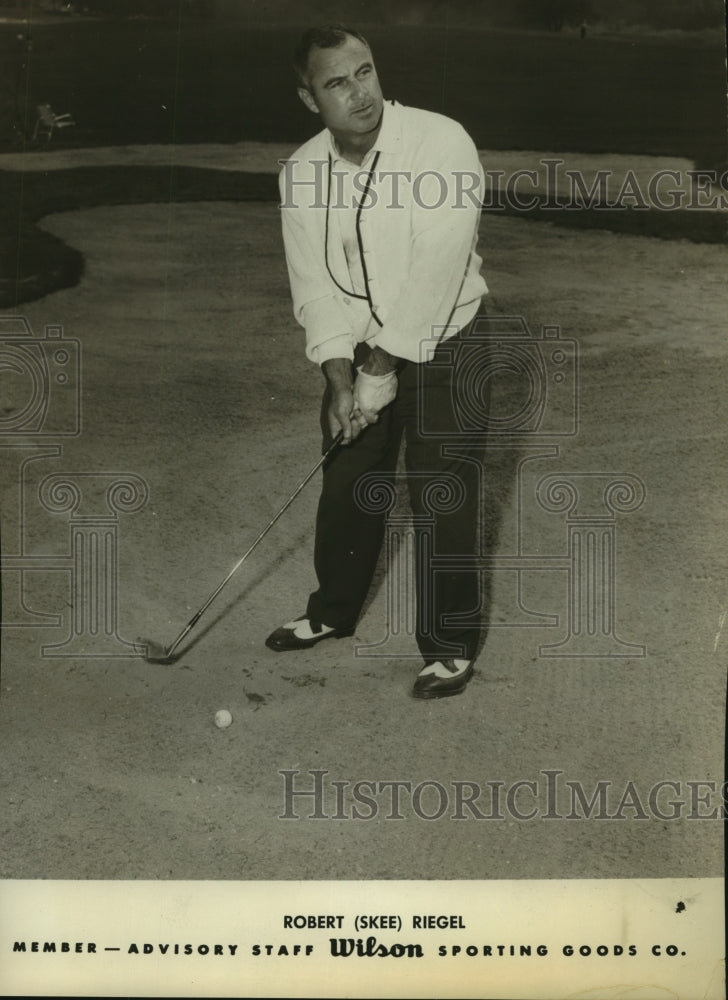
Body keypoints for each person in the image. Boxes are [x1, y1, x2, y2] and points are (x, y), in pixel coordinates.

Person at [267, 24, 489, 699]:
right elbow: (315, 287)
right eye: (337, 82)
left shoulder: (440, 142)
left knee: (441, 492)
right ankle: (332, 611)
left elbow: (434, 273)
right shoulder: (301, 172)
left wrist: (380, 369)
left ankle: (449, 644)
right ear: (310, 98)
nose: (359, 92)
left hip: (450, 338)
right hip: (362, 350)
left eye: (364, 71)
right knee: (347, 476)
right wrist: (339, 377)